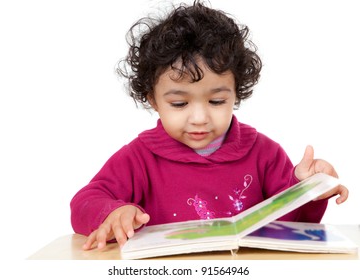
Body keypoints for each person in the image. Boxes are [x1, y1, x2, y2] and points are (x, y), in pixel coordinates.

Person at [70, 0, 348, 251]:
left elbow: (292, 227)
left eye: (216, 101)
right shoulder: (139, 158)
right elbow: (84, 202)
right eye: (179, 104)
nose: (200, 118)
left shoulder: (264, 153)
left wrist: (309, 190)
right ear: (152, 99)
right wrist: (112, 212)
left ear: (236, 93)